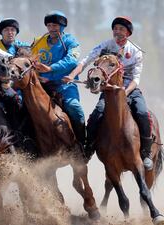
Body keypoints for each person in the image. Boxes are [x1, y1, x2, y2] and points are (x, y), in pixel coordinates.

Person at [65, 16, 153, 169]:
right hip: (109, 91)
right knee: (97, 114)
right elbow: (85, 61)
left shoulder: (136, 52)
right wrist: (72, 76)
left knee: (142, 113)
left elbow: (135, 79)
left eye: (121, 29)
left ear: (128, 33)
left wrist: (124, 92)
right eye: (116, 28)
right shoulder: (105, 46)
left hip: (129, 90)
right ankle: (89, 149)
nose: (117, 31)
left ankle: (146, 153)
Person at [30, 10, 85, 151]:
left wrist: (50, 69)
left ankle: (82, 145)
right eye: (49, 25)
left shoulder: (71, 41)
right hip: (40, 85)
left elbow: (72, 60)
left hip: (64, 85)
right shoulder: (38, 41)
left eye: (55, 25)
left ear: (62, 26)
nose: (52, 29)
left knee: (74, 108)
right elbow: (29, 58)